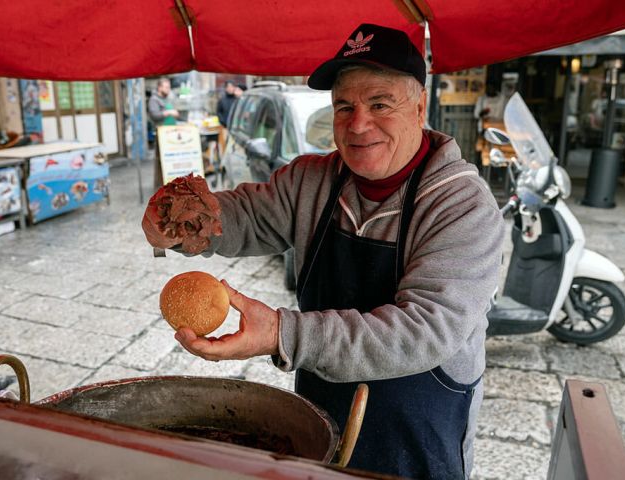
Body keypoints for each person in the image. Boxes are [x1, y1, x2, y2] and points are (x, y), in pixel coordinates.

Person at [142, 23, 503, 480]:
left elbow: (423, 330)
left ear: (419, 107)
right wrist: (179, 223)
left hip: (418, 430)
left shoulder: (461, 205)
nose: (358, 124)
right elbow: (244, 216)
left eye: (379, 104)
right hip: (322, 408)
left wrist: (281, 333)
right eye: (344, 107)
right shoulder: (312, 179)